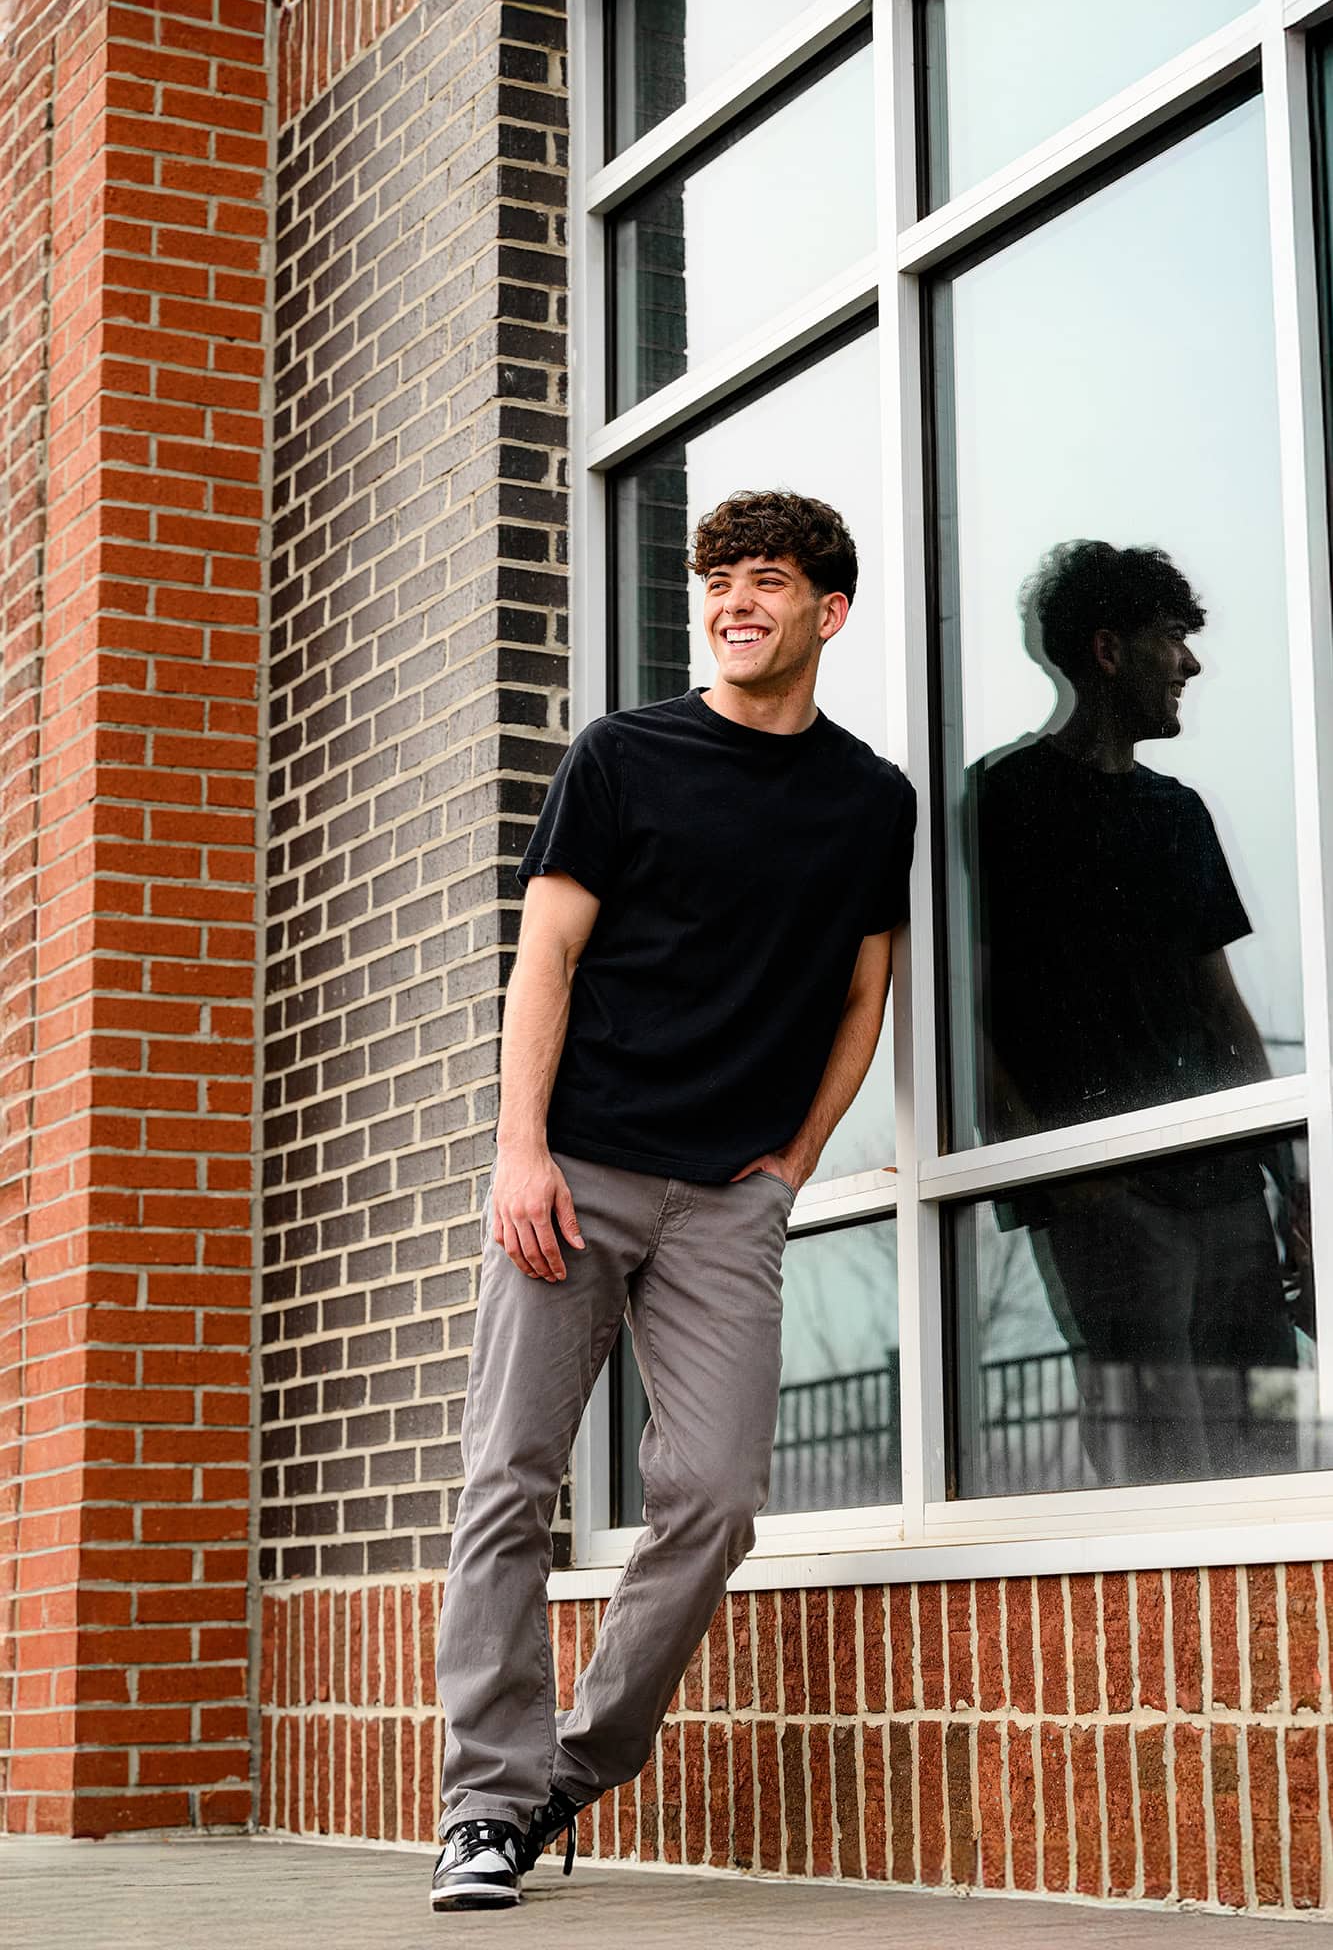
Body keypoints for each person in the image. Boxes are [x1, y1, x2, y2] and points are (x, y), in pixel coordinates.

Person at [430, 491, 915, 1909]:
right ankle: (486, 1803)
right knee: (507, 1481)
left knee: (713, 1495)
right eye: (717, 582)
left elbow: (864, 989)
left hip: (725, 1201)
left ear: (828, 612)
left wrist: (799, 1158)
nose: (733, 604)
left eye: (765, 582)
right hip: (571, 1174)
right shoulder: (624, 756)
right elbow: (547, 960)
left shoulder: (867, 797)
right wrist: (519, 1150)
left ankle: (566, 1773)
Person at [968, 539, 1308, 1487]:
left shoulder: (1178, 812)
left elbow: (1224, 1010)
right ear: (1108, 651)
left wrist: (1291, 1184)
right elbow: (968, 1010)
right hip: (1106, 1189)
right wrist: (1045, 1168)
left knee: (1270, 1453)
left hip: (1227, 1183)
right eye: (1172, 640)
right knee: (1161, 1462)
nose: (1190, 665)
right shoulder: (1009, 798)